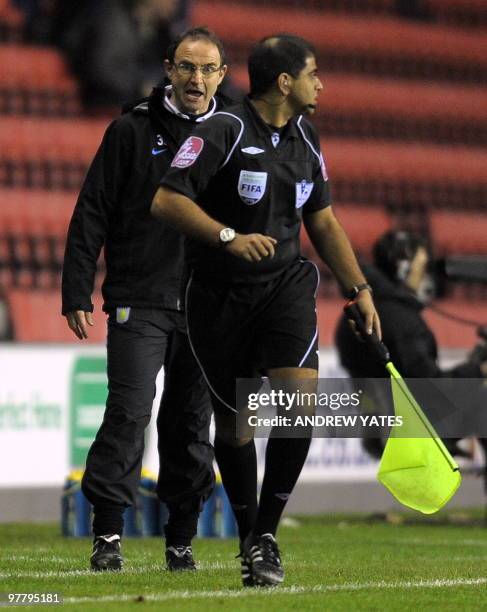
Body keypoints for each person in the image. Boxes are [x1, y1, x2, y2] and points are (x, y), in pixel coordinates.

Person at [151, 34, 380, 587]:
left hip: (286, 288)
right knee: (235, 425)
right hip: (216, 296)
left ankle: (269, 534)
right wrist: (227, 235)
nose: (320, 83)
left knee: (300, 403)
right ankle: (251, 536)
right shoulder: (222, 131)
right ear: (285, 81)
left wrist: (358, 287)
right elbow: (166, 199)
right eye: (313, 73)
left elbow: (321, 220)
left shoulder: (308, 137)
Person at [62, 27, 230, 572]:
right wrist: (76, 287)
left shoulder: (235, 135)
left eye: (207, 69)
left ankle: (180, 542)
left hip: (208, 306)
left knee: (188, 425)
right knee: (129, 412)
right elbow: (93, 209)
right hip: (140, 296)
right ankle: (108, 535)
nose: (196, 79)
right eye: (186, 67)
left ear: (222, 76)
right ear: (168, 68)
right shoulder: (130, 130)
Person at [335, 230, 487, 458]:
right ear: (404, 269)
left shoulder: (360, 312)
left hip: (380, 431)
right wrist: (478, 370)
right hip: (409, 433)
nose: (425, 275)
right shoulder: (401, 322)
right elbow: (432, 391)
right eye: (421, 267)